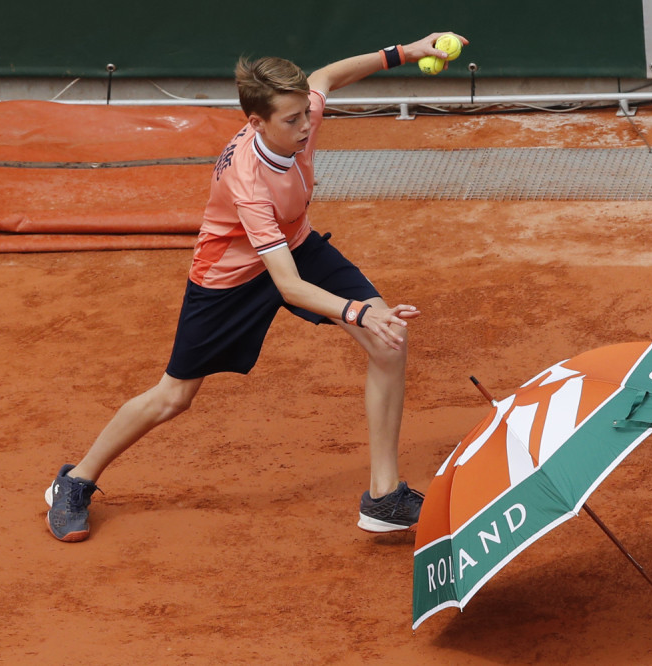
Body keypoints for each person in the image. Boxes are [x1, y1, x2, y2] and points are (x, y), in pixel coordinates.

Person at [44, 32, 469, 542]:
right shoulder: (248, 181)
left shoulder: (297, 112)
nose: (306, 127)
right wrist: (359, 311)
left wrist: (405, 53)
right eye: (292, 122)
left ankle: (383, 496)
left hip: (295, 243)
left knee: (389, 341)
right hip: (229, 277)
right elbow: (287, 285)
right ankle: (75, 481)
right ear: (256, 122)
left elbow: (325, 78)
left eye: (306, 116)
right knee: (174, 396)